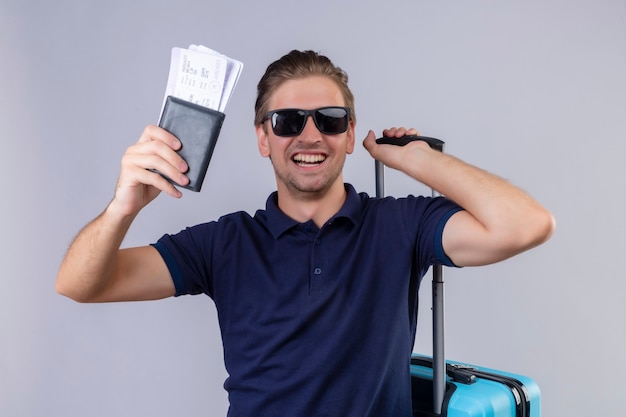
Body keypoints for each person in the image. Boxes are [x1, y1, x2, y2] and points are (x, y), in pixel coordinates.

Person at [56, 50, 555, 417]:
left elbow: (527, 225)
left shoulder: (401, 224)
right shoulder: (224, 243)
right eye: (289, 120)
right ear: (262, 138)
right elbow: (81, 283)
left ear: (349, 133)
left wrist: (423, 161)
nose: (311, 135)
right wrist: (123, 206)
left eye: (330, 120)